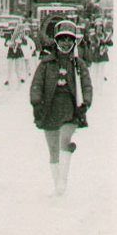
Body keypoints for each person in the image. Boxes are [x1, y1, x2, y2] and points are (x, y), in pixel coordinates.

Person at [30, 20, 92, 196]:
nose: (66, 42)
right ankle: (57, 183)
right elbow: (36, 84)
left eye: (69, 39)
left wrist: (86, 102)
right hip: (49, 109)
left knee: (64, 141)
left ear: (74, 42)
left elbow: (86, 85)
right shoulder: (46, 63)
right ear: (56, 41)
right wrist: (36, 102)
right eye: (62, 38)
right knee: (53, 149)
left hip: (71, 109)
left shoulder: (79, 64)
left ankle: (63, 182)